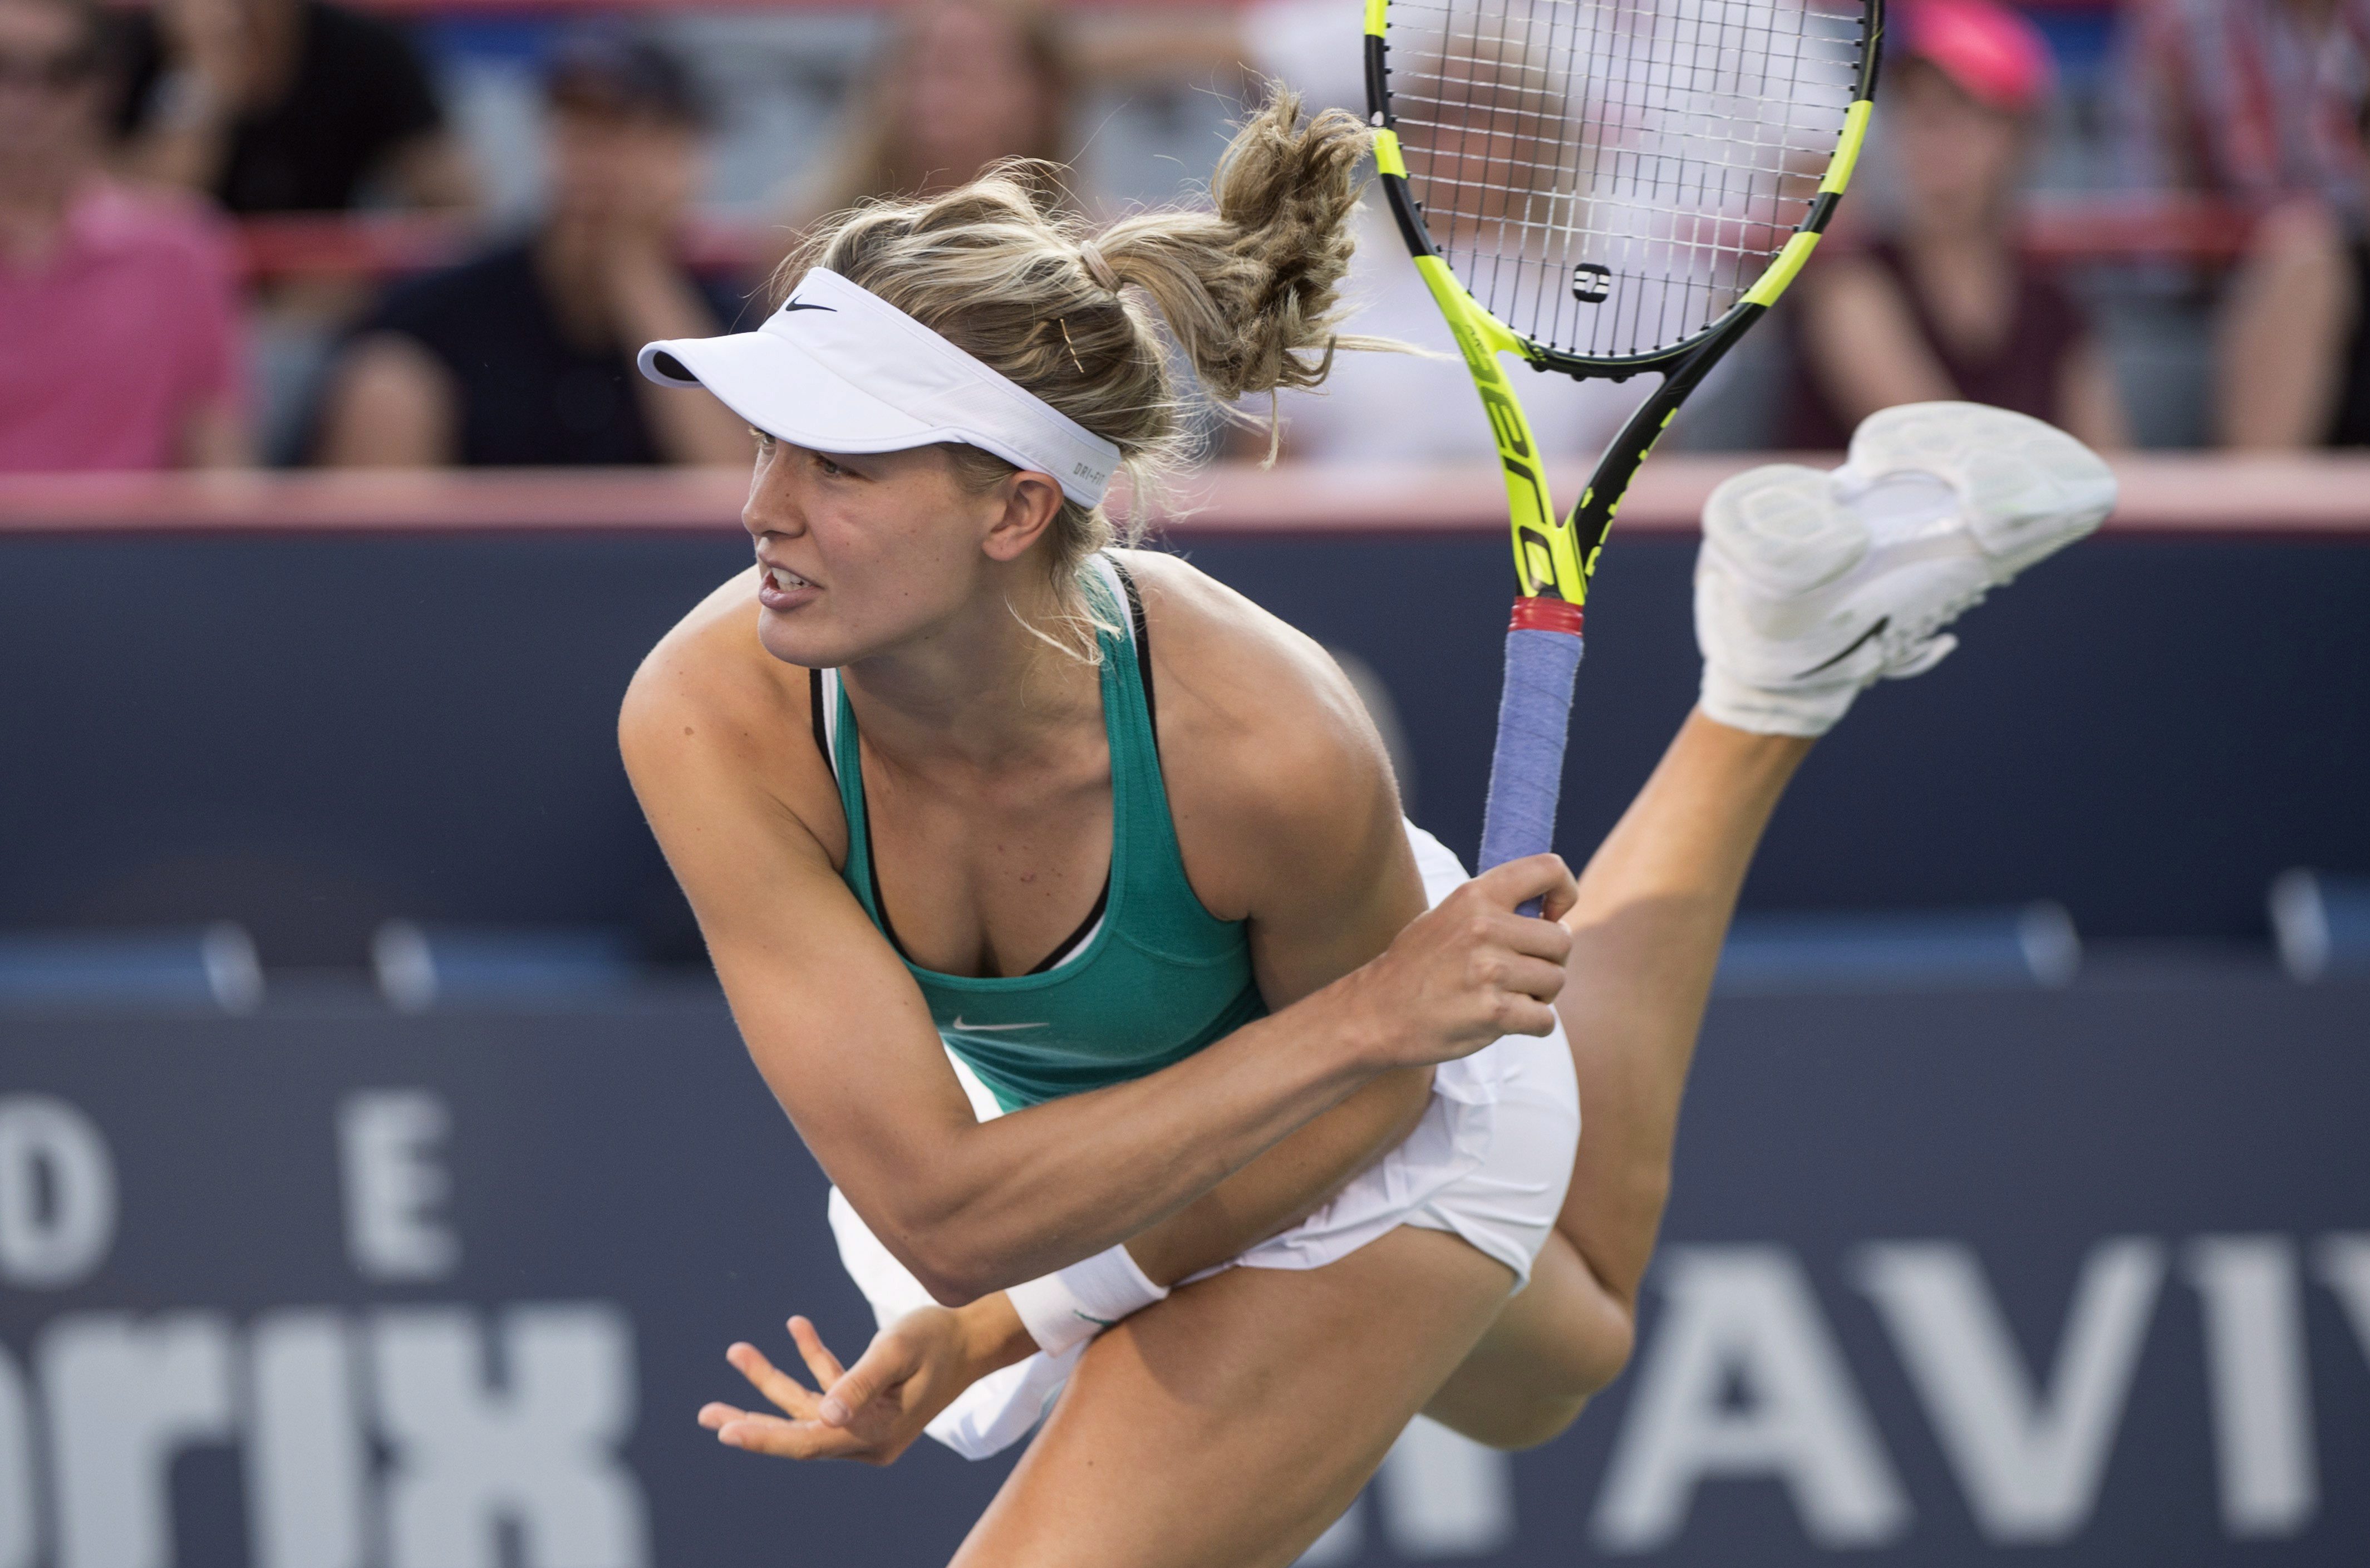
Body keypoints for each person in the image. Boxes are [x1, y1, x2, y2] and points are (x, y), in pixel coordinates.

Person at [617, 89, 2112, 1564]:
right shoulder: (706, 713)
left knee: (1530, 1336)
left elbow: (1365, 1103)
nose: (765, 507)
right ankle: (1772, 679)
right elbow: (945, 1208)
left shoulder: (1264, 742)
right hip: (1219, 1091)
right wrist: (1012, 1304)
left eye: (842, 463)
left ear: (1014, 511)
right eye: (766, 443)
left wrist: (1360, 1039)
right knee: (1567, 1347)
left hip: (1376, 1113)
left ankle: (1769, 685)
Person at [313, 32, 746, 468]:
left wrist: (634, 272)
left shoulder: (735, 321)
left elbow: (737, 495)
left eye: (631, 133)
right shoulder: (442, 310)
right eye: (579, 131)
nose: (599, 161)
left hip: (659, 540)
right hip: (472, 538)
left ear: (688, 158)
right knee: (385, 386)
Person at [1780, 0, 2127, 451]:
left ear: (2021, 137)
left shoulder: (2055, 306)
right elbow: (1944, 457)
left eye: (1965, 110)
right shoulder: (1849, 289)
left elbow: (2114, 469)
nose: (1935, 133)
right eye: (1917, 109)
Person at [1, 0, 248, 470]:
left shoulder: (180, 249)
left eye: (61, 72)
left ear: (101, 88)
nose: (25, 96)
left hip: (134, 543)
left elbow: (219, 459)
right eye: (2, 67)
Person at [109, 0, 473, 215]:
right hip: (165, 306)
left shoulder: (365, 50)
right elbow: (145, 215)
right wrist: (201, 75)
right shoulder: (130, 49)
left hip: (321, 314)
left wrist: (355, 266)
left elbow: (456, 206)